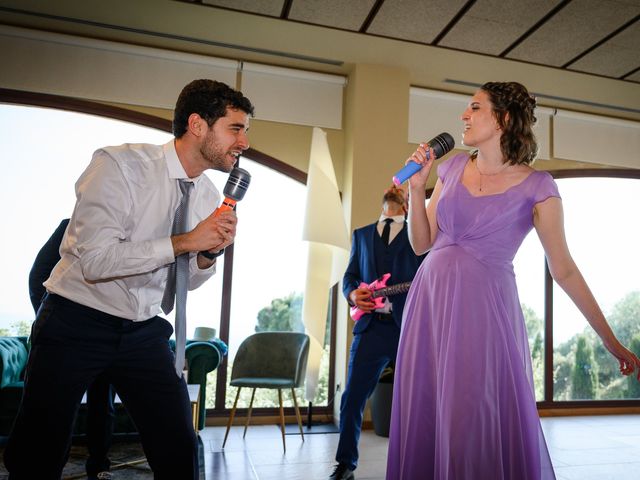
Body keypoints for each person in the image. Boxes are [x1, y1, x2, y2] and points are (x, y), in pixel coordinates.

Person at [385, 81, 640, 479]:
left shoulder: (539, 187)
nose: (463, 116)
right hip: (430, 308)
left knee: (470, 423)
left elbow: (565, 269)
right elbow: (421, 244)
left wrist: (610, 339)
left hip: (484, 316)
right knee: (430, 416)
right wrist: (418, 189)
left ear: (503, 118)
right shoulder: (451, 168)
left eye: (474, 108)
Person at [5, 79, 254, 479]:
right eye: (236, 128)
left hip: (143, 331)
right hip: (74, 321)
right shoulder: (120, 165)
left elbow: (184, 282)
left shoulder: (209, 196)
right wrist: (186, 240)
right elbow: (96, 261)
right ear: (197, 124)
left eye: (246, 132)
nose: (244, 142)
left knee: (178, 447)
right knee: (39, 450)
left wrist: (206, 255)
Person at [330, 186, 425, 480]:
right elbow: (349, 276)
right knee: (352, 398)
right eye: (391, 186)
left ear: (408, 204)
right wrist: (351, 294)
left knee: (419, 401)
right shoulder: (360, 234)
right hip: (369, 329)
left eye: (400, 190)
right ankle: (346, 465)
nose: (393, 188)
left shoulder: (419, 237)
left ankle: (421, 465)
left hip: (407, 329)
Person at [28, 218, 116, 480]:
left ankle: (99, 466)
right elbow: (39, 275)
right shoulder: (71, 224)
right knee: (60, 406)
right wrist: (52, 321)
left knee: (103, 403)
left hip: (107, 332)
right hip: (66, 337)